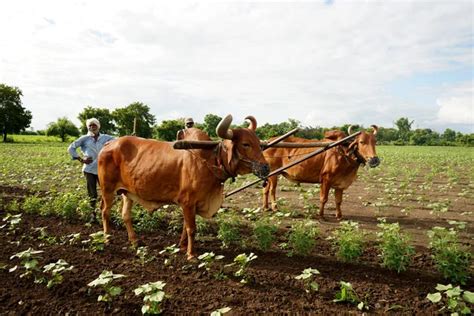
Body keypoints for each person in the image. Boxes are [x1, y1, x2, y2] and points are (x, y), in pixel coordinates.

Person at [68, 118, 115, 209]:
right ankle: (92, 213)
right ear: (88, 127)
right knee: (92, 193)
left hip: (102, 169)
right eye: (90, 125)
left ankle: (104, 211)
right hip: (89, 169)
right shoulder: (84, 138)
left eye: (94, 125)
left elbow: (120, 140)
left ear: (98, 126)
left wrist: (131, 137)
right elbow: (71, 148)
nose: (92, 127)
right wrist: (81, 159)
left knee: (105, 191)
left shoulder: (106, 137)